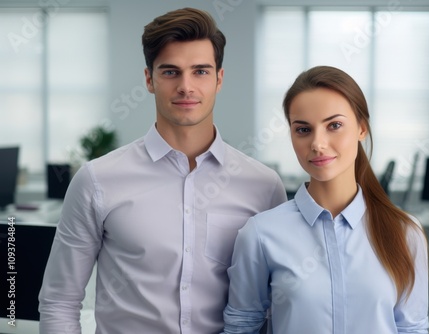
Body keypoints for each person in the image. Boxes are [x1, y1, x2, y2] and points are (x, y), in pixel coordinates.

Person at [38, 7, 287, 334]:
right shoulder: (96, 180)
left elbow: (276, 303)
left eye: (200, 71)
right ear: (149, 79)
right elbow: (60, 300)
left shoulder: (264, 186)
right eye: (171, 72)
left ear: (219, 79)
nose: (186, 86)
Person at [222, 66, 429, 334]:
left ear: (362, 128)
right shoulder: (261, 234)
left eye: (334, 125)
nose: (318, 144)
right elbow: (242, 327)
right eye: (303, 130)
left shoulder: (406, 233)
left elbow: (411, 329)